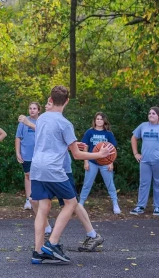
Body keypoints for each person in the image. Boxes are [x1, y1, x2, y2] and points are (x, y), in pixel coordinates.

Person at [29, 86, 114, 264]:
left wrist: (73, 144)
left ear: (50, 100)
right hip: (53, 168)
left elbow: (51, 141)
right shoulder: (65, 123)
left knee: (43, 208)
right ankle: (52, 243)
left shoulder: (42, 118)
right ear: (67, 101)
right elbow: (76, 155)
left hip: (37, 166)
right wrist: (99, 155)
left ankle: (37, 253)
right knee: (71, 202)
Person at [21, 103, 105, 254]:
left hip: (61, 168)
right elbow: (51, 139)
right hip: (45, 168)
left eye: (48, 103)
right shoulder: (44, 120)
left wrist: (28, 123)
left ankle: (92, 235)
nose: (47, 105)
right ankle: (47, 234)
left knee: (72, 203)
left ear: (55, 103)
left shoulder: (58, 121)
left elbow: (62, 144)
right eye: (46, 103)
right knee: (36, 201)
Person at [79, 112, 121, 214]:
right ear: (94, 120)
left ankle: (115, 204)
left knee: (110, 184)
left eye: (101, 119)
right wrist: (86, 161)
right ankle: (80, 204)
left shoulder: (108, 133)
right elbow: (85, 147)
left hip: (105, 162)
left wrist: (111, 162)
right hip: (92, 161)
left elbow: (113, 149)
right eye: (97, 119)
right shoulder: (89, 132)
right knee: (87, 184)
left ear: (104, 121)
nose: (99, 121)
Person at [130, 107, 159, 216]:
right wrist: (136, 153)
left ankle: (157, 207)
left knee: (158, 183)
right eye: (149, 113)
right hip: (145, 161)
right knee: (144, 183)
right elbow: (134, 138)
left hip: (157, 161)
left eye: (154, 113)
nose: (151, 115)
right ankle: (140, 206)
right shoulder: (143, 126)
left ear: (158, 116)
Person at [15, 102, 41, 210]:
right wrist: (18, 152)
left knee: (39, 177)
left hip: (39, 154)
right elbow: (18, 137)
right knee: (28, 175)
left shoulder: (42, 121)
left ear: (39, 110)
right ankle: (28, 200)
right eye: (30, 108)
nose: (32, 110)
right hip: (26, 153)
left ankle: (38, 199)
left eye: (34, 108)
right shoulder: (23, 121)